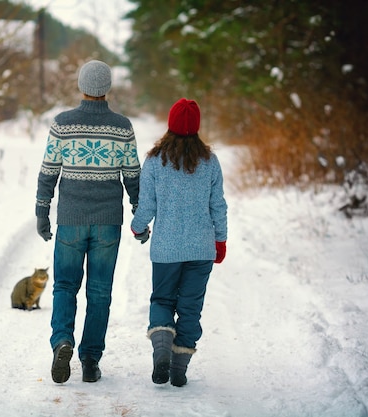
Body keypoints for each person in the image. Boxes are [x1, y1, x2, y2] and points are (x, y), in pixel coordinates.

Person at [35, 60, 141, 384]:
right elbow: (133, 177)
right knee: (100, 292)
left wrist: (42, 211)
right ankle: (90, 359)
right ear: (107, 88)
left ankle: (62, 341)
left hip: (71, 220)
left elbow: (48, 171)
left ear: (81, 86)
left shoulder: (63, 124)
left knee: (65, 286)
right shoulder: (122, 127)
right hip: (108, 223)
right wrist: (140, 212)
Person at [131, 98, 228, 387]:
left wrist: (138, 228)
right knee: (190, 308)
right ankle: (179, 368)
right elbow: (218, 206)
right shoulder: (209, 162)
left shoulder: (155, 160)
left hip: (165, 250)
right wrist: (220, 240)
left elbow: (146, 204)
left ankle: (161, 349)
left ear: (170, 123)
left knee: (162, 300)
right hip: (200, 249)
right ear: (196, 126)